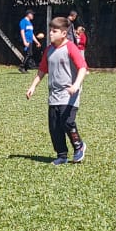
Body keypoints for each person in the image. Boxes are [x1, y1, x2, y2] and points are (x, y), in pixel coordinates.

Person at [25, 16, 88, 165]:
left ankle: (79, 146)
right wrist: (33, 86)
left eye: (54, 31)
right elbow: (42, 70)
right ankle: (62, 155)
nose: (50, 34)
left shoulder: (70, 47)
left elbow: (83, 68)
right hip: (54, 94)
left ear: (64, 33)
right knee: (54, 126)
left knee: (67, 121)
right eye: (50, 30)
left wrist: (76, 85)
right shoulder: (49, 50)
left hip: (69, 94)